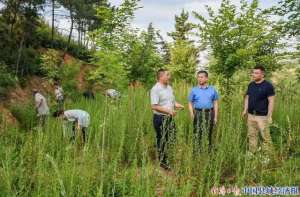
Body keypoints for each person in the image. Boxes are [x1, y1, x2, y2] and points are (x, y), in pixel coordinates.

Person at [150, 68, 184, 169]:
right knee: (162, 140)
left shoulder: (169, 87)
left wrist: (178, 105)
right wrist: (169, 111)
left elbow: (171, 102)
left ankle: (168, 155)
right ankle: (163, 162)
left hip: (169, 118)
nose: (169, 77)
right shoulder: (155, 89)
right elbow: (154, 106)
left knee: (172, 137)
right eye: (167, 75)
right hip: (159, 118)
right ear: (161, 77)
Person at [242, 65, 275, 157]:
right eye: (253, 72)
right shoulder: (251, 85)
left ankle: (266, 155)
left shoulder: (268, 86)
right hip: (251, 115)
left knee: (265, 137)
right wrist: (245, 110)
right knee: (252, 135)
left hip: (262, 116)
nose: (253, 75)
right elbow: (247, 98)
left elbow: (271, 101)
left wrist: (269, 115)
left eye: (256, 73)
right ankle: (252, 152)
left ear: (262, 74)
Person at [188, 70, 219, 153]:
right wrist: (191, 113)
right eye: (198, 77)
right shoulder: (194, 90)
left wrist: (215, 116)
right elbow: (190, 102)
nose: (199, 79)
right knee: (197, 132)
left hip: (210, 113)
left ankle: (208, 150)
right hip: (198, 113)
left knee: (209, 132)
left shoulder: (213, 90)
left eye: (201, 77)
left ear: (206, 78)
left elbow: (215, 103)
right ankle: (196, 150)